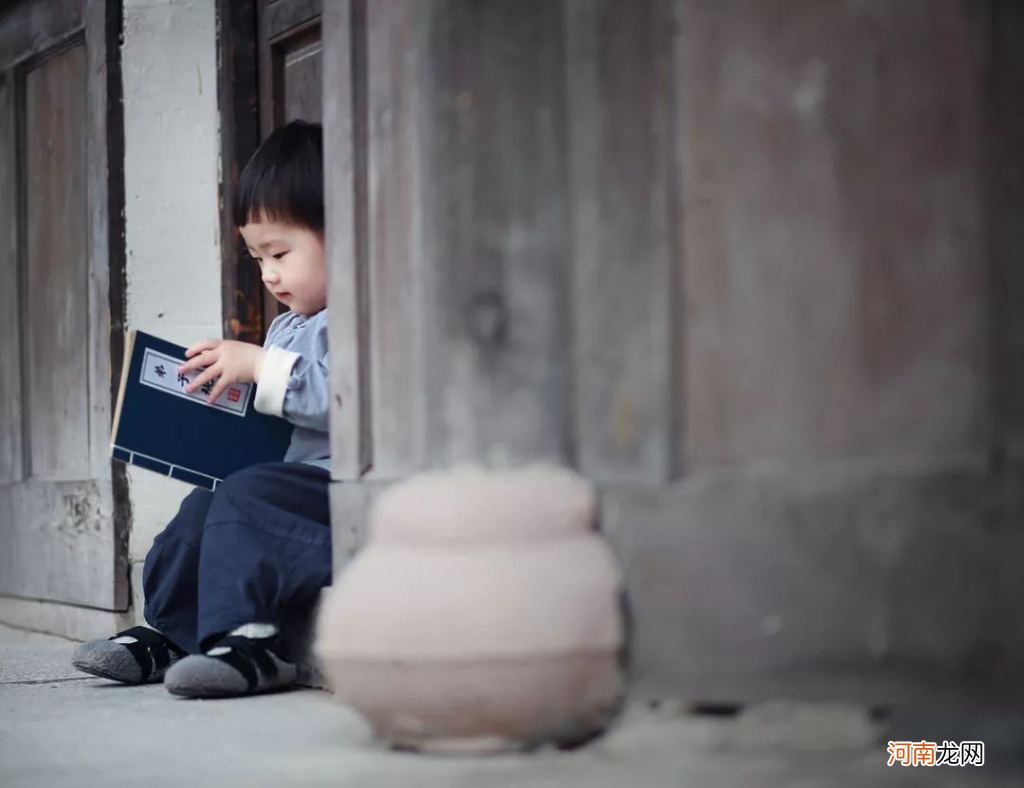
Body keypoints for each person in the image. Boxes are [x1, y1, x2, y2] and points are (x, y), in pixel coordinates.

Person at [72, 121, 332, 698]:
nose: (268, 274)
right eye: (256, 256)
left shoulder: (369, 313)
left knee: (245, 498)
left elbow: (346, 396)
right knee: (206, 501)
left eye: (280, 252)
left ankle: (251, 640)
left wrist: (260, 367)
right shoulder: (291, 326)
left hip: (340, 495)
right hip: (284, 485)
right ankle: (174, 631)